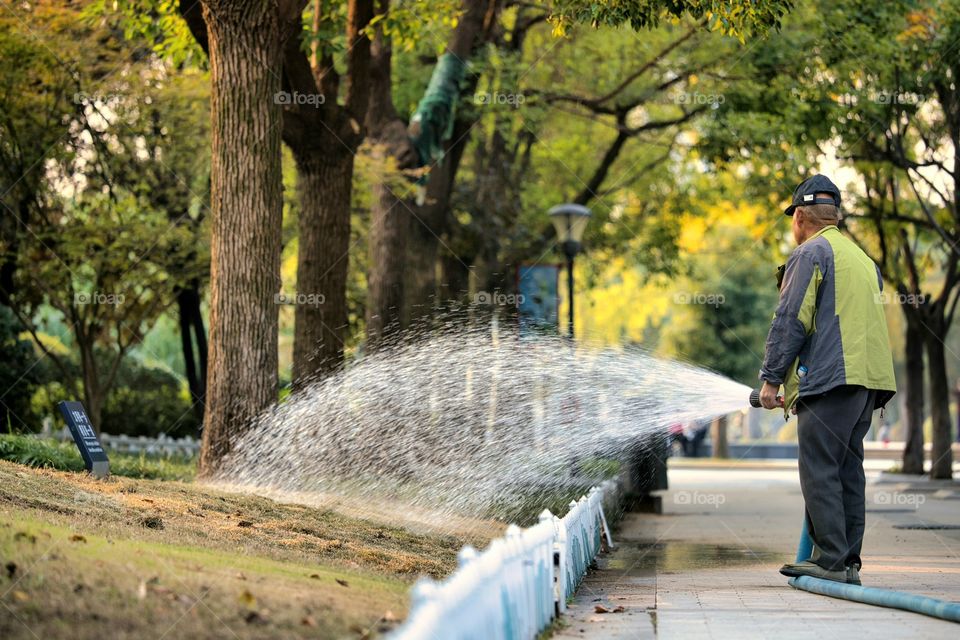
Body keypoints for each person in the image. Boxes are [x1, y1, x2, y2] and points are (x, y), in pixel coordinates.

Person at [757, 175, 896, 584]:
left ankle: (831, 561)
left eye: (792, 220)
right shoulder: (862, 259)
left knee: (819, 467)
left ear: (800, 217)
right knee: (847, 470)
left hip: (832, 379)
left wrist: (770, 379)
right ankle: (847, 561)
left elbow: (791, 319)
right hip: (867, 382)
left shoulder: (811, 253)